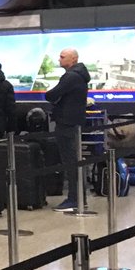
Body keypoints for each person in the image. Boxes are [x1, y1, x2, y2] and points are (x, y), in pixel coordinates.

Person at [45, 48, 90, 210]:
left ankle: (74, 198)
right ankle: (79, 197)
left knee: (70, 161)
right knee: (73, 161)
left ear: (73, 59)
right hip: (74, 121)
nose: (59, 59)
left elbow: (51, 95)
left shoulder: (71, 77)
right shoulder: (80, 76)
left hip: (66, 122)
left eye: (62, 57)